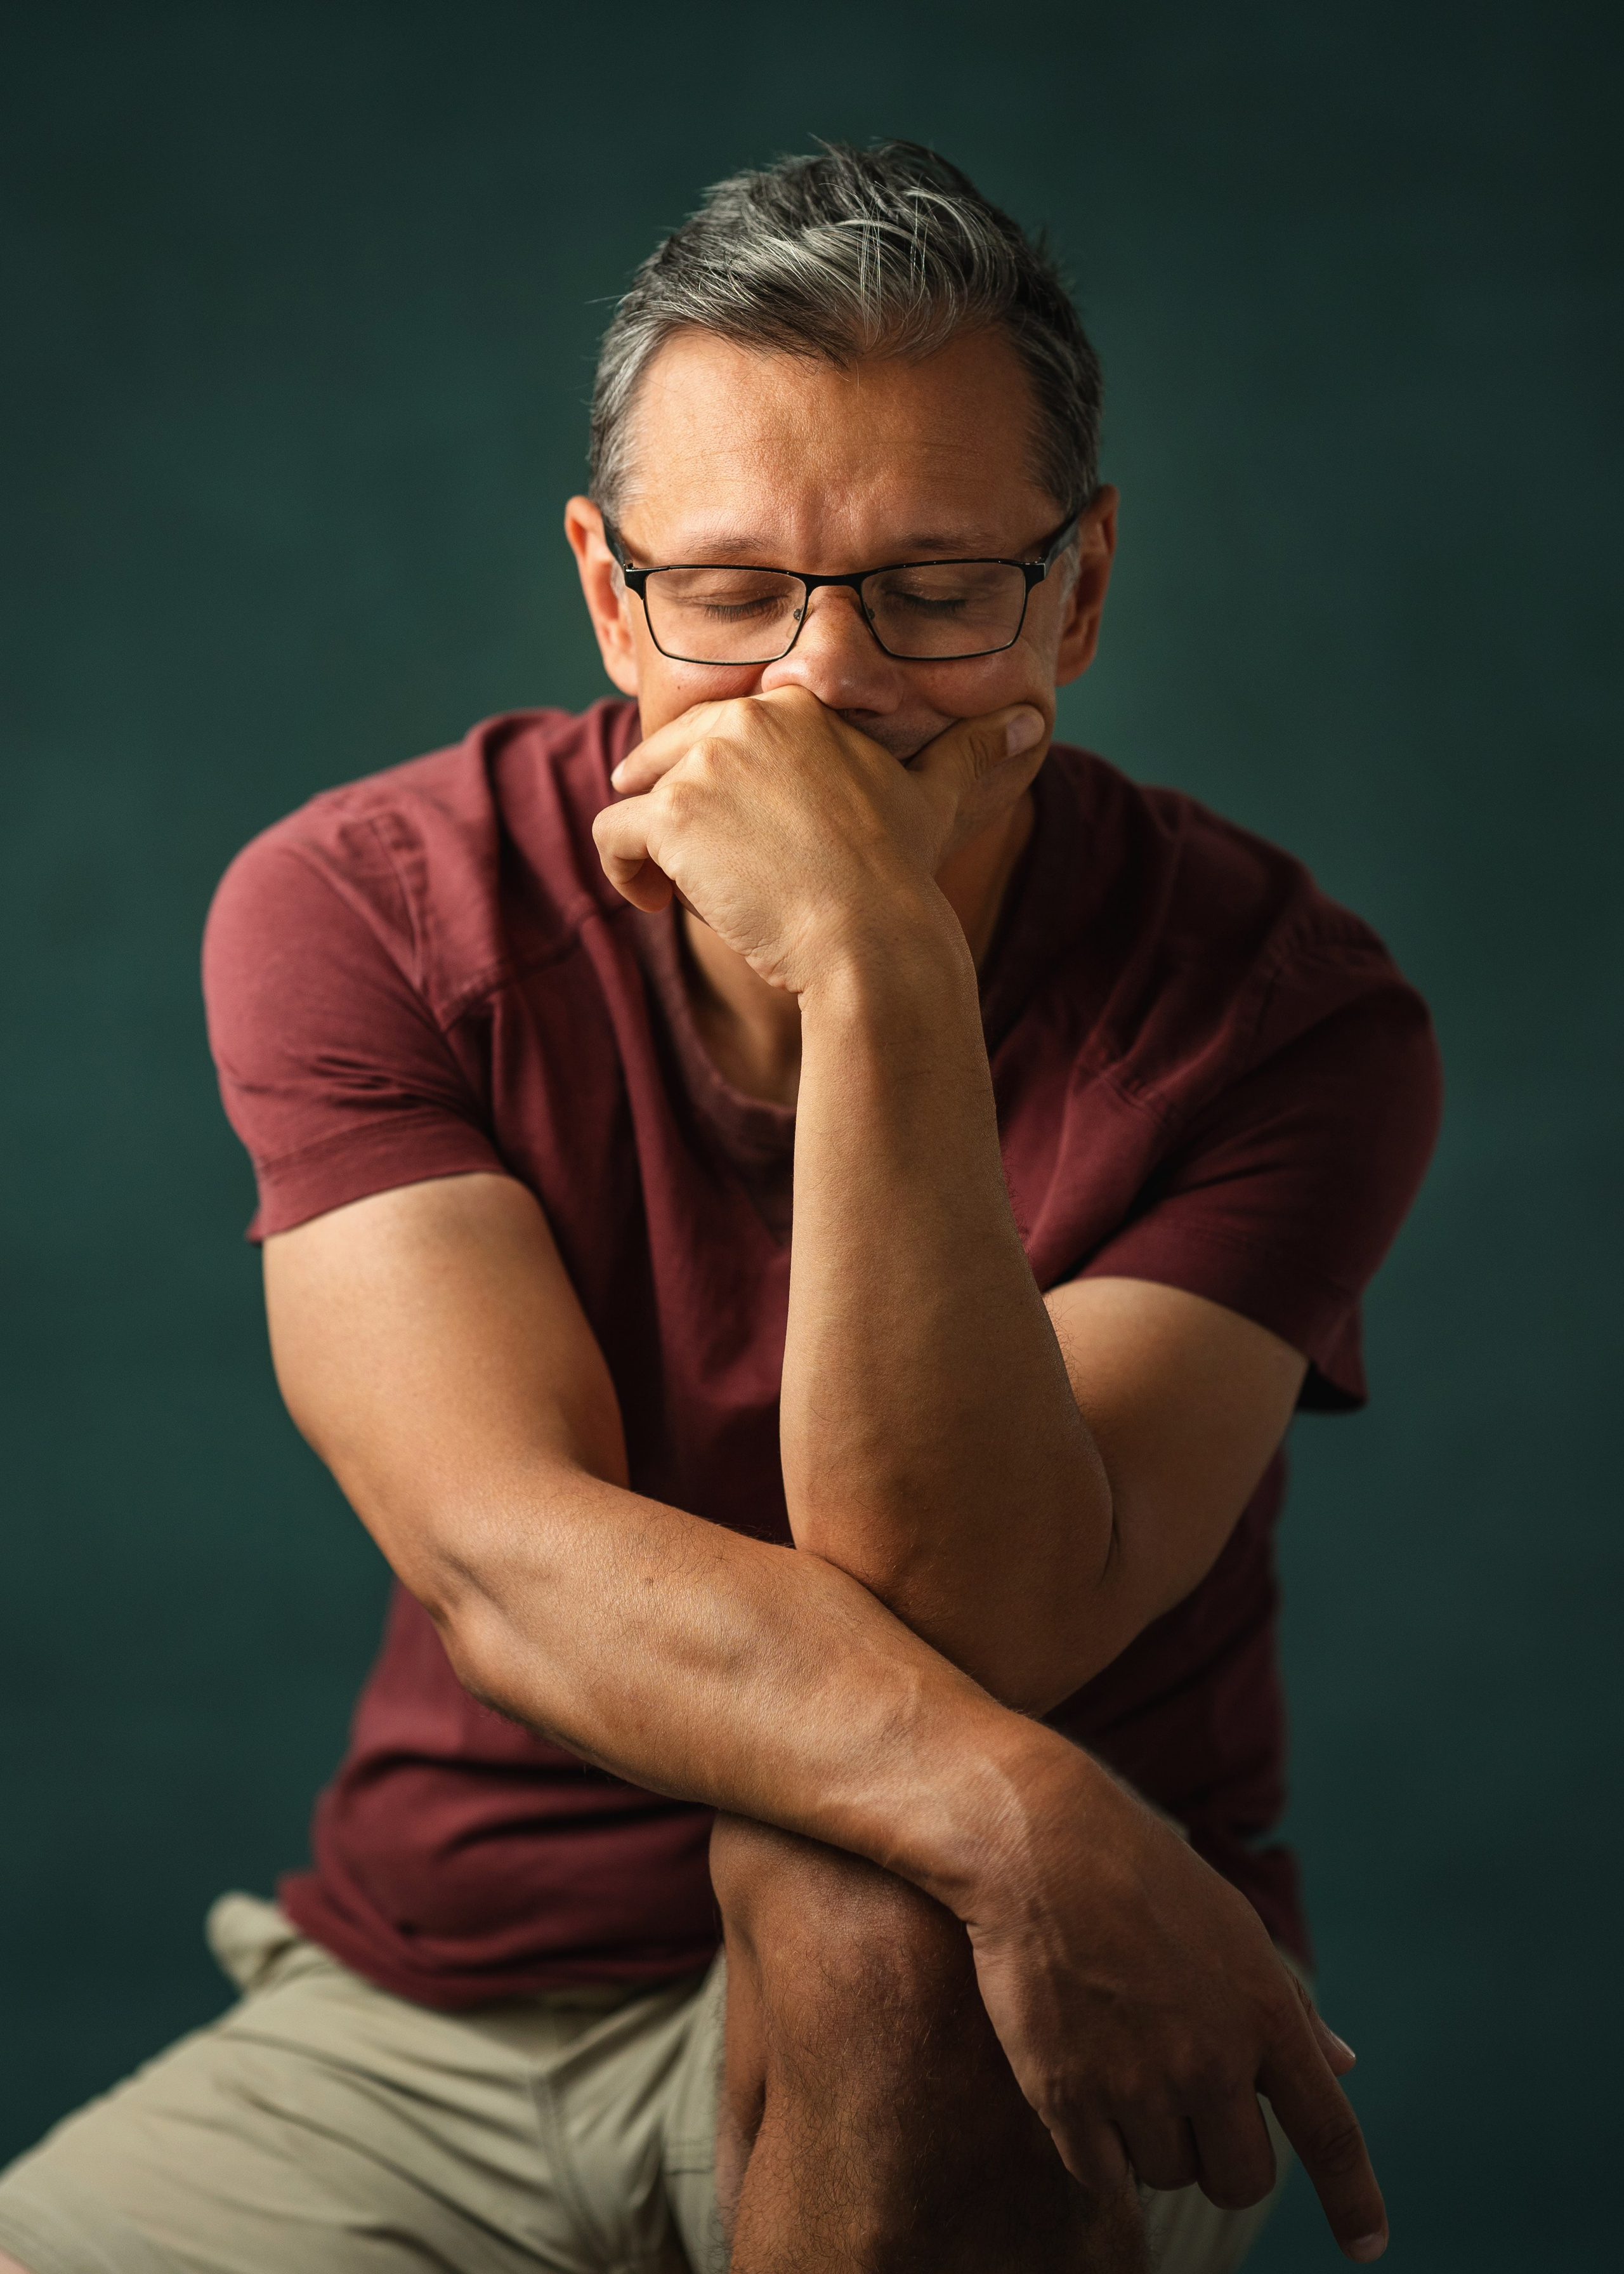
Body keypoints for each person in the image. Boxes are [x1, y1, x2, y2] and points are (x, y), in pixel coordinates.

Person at [0, 142, 1441, 2274]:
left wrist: (873, 969)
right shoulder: (366, 910)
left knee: (875, 1909)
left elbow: (986, 1615)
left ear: (1085, 586)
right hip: (450, 2008)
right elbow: (505, 1557)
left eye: (937, 588)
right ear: (608, 592)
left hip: (1015, 2012)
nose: (822, 688)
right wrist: (1029, 1809)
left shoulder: (1285, 1021)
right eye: (736, 589)